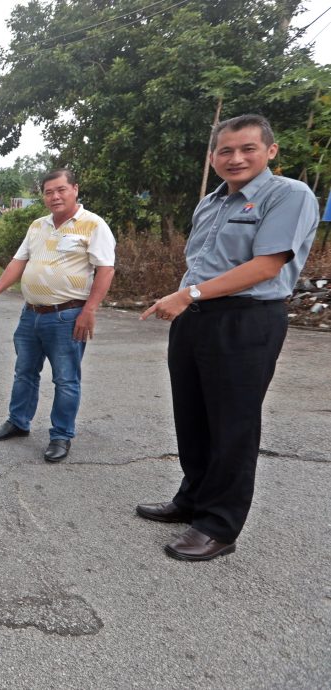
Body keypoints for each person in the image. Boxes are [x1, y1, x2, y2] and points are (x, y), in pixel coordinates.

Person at [139, 114, 319, 561]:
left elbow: (266, 266)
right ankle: (192, 499)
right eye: (226, 150)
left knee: (233, 424)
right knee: (193, 415)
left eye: (247, 149)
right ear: (213, 157)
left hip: (246, 320)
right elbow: (201, 261)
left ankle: (219, 524)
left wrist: (189, 293)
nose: (235, 158)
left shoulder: (288, 195)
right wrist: (188, 299)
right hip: (195, 317)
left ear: (270, 151)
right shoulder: (212, 202)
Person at [0, 169, 116, 462]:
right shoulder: (38, 226)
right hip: (31, 314)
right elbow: (18, 262)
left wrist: (89, 310)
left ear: (75, 189)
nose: (55, 196)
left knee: (65, 379)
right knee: (24, 372)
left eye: (61, 189)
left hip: (67, 315)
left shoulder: (93, 225)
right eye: (49, 192)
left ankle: (61, 436)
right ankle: (18, 422)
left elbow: (106, 269)